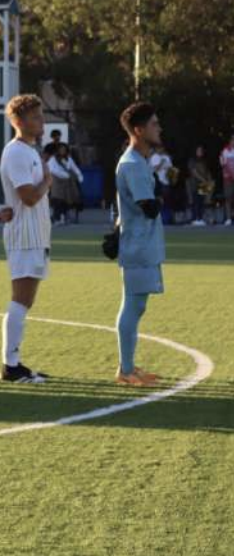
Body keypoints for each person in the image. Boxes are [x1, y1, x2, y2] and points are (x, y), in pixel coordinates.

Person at [0, 94, 53, 384]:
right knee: (20, 300)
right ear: (18, 121)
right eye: (35, 117)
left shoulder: (30, 150)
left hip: (35, 235)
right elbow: (28, 197)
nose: (41, 121)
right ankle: (10, 365)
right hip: (25, 235)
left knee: (25, 300)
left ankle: (14, 362)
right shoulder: (17, 152)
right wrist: (47, 181)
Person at [113, 102, 165, 387]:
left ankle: (129, 366)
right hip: (138, 246)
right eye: (154, 124)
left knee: (137, 305)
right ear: (138, 129)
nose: (160, 128)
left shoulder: (139, 161)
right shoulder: (133, 164)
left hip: (143, 245)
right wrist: (161, 197)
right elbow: (149, 207)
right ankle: (125, 370)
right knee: (132, 306)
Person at [47, 144, 83, 225]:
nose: (62, 151)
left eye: (64, 149)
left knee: (67, 200)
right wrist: (65, 175)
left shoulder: (68, 159)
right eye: (61, 149)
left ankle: (64, 216)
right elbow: (52, 169)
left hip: (68, 183)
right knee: (57, 200)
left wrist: (80, 176)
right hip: (57, 183)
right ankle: (57, 217)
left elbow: (74, 168)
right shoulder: (53, 159)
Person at [187, 146, 213, 226]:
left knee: (202, 201)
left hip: (203, 185)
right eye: (198, 151)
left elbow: (207, 172)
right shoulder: (192, 160)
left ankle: (200, 218)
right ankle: (195, 218)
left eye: (201, 151)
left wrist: (209, 181)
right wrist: (203, 179)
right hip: (195, 184)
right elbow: (193, 172)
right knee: (196, 201)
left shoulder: (204, 161)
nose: (200, 152)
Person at [149, 146, 175, 225]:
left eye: (161, 148)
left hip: (166, 182)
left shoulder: (166, 157)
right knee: (159, 201)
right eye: (158, 148)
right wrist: (161, 163)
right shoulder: (154, 157)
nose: (160, 149)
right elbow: (154, 169)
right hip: (158, 182)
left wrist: (172, 179)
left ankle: (167, 219)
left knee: (167, 202)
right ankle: (159, 220)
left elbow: (171, 170)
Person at [220, 134, 234, 226]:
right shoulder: (224, 151)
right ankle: (228, 218)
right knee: (228, 198)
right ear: (230, 141)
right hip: (228, 178)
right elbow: (223, 164)